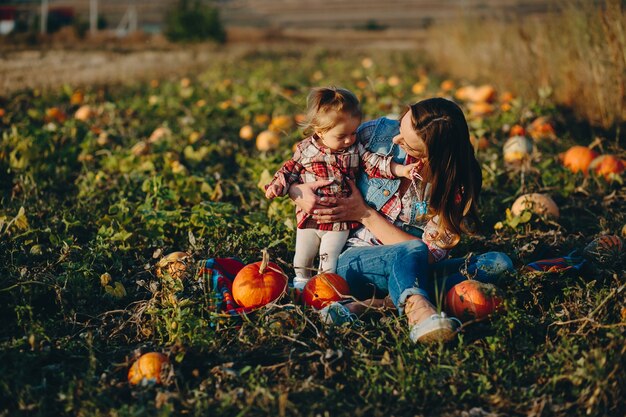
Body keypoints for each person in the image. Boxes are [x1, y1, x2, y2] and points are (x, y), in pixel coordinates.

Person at [288, 97, 514, 343]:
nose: (396, 140)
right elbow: (312, 154)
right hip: (353, 261)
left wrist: (365, 214)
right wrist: (297, 192)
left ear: (434, 155)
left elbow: (429, 254)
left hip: (412, 264)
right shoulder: (376, 134)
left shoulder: (453, 188)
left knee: (497, 263)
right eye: (401, 128)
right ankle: (418, 311)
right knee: (414, 251)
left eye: (408, 143)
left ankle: (377, 304)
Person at [265, 86, 419, 290]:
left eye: (353, 133)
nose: (349, 140)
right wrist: (278, 186)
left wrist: (400, 170)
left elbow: (375, 162)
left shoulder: (355, 149)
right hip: (310, 217)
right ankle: (301, 284)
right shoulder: (306, 150)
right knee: (302, 256)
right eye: (342, 136)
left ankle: (323, 288)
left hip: (341, 220)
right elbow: (289, 170)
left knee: (329, 261)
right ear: (320, 131)